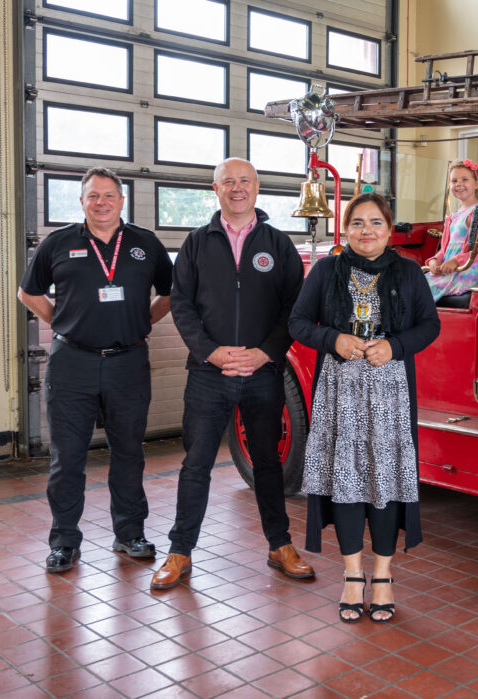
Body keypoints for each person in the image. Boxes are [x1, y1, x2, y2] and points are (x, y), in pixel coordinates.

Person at [152, 157, 313, 590]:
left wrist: (265, 353)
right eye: (229, 182)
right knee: (196, 465)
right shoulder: (195, 243)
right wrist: (211, 352)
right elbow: (181, 304)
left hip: (263, 374)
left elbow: (294, 310)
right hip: (209, 373)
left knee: (268, 464)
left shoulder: (278, 245)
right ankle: (179, 552)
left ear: (257, 188)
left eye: (245, 181)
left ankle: (280, 546)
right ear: (215, 188)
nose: (237, 188)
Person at [290, 193, 440, 623]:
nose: (366, 231)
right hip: (339, 394)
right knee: (348, 482)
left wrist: (395, 346)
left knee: (385, 482)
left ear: (390, 231)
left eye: (376, 223)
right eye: (357, 223)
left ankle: (383, 575)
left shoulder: (409, 273)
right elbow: (298, 322)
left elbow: (430, 325)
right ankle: (352, 575)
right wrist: (331, 340)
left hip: (390, 395)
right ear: (346, 229)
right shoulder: (325, 270)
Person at [18, 167, 172, 573]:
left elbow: (172, 294)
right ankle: (65, 541)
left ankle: (129, 534)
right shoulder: (58, 243)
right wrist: (64, 321)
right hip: (73, 364)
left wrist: (141, 322)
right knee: (67, 458)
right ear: (82, 202)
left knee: (128, 453)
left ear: (122, 201)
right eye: (93, 196)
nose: (101, 202)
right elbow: (27, 292)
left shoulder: (146, 244)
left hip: (128, 362)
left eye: (109, 195)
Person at [424, 159, 478, 301]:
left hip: (466, 271)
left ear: (477, 183)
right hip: (448, 270)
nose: (458, 184)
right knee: (413, 284)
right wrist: (435, 261)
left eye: (464, 179)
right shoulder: (452, 217)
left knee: (419, 289)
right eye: (454, 181)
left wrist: (456, 261)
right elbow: (445, 249)